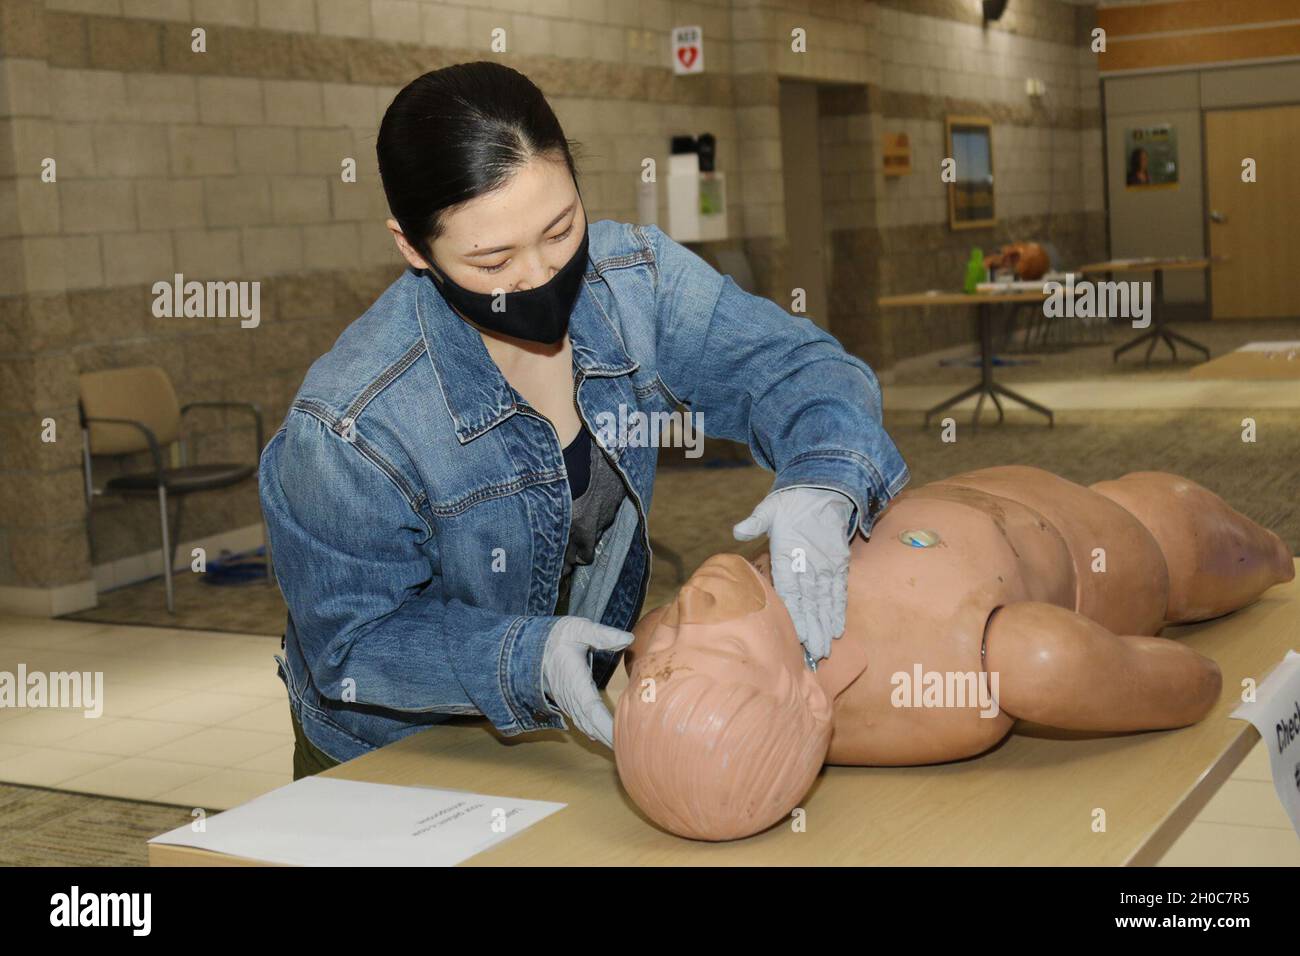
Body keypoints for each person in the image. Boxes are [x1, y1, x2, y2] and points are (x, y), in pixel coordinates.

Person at [258, 61, 908, 779]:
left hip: (558, 726)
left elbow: (796, 368)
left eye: (560, 229)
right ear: (413, 248)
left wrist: (823, 476)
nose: (538, 277)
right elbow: (353, 643)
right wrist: (527, 656)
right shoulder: (351, 426)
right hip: (388, 752)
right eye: (493, 259)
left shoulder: (636, 281)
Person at [615, 465, 1294, 841]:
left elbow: (649, 648)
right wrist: (1184, 677)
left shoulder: (720, 641)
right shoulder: (961, 671)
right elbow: (1184, 683)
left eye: (670, 636)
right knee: (1257, 556)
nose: (691, 607)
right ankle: (1268, 559)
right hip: (1120, 541)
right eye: (724, 648)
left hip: (982, 484)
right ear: (804, 697)